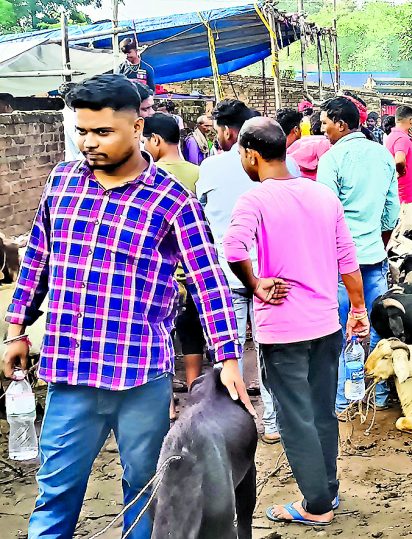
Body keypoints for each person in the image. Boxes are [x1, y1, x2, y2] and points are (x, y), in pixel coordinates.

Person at [5, 74, 248, 539]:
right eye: (82, 131)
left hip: (139, 375)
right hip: (69, 371)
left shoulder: (172, 200)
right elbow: (37, 258)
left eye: (102, 132)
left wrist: (229, 359)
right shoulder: (62, 182)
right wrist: (16, 330)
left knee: (144, 492)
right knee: (55, 492)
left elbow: (208, 281)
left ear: (137, 128)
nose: (88, 143)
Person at [224, 117, 367, 527]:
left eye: (241, 154)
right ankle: (328, 489)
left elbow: (233, 248)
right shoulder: (322, 195)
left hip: (283, 330)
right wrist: (358, 310)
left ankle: (317, 505)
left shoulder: (254, 200)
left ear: (251, 155)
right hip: (326, 324)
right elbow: (348, 258)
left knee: (294, 417)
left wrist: (255, 283)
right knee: (322, 411)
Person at [196, 98, 287, 440]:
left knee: (228, 353)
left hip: (227, 272)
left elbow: (204, 215)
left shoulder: (211, 168)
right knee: (269, 352)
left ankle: (233, 428)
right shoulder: (280, 166)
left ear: (229, 132)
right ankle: (274, 424)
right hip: (270, 275)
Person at [316, 97, 400, 413]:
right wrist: (379, 241)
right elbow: (391, 211)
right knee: (378, 328)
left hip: (340, 262)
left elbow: (325, 215)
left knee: (341, 329)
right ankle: (378, 396)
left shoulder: (332, 159)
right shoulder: (383, 155)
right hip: (374, 256)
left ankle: (343, 400)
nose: (322, 130)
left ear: (341, 124)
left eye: (325, 123)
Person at [384, 106, 412, 233]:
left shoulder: (395, 136)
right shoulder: (401, 138)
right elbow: (399, 160)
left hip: (407, 195)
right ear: (411, 121)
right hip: (407, 197)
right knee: (407, 233)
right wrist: (401, 172)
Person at [143, 112, 199, 192]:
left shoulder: (148, 174)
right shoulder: (199, 173)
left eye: (144, 141)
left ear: (155, 139)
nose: (144, 147)